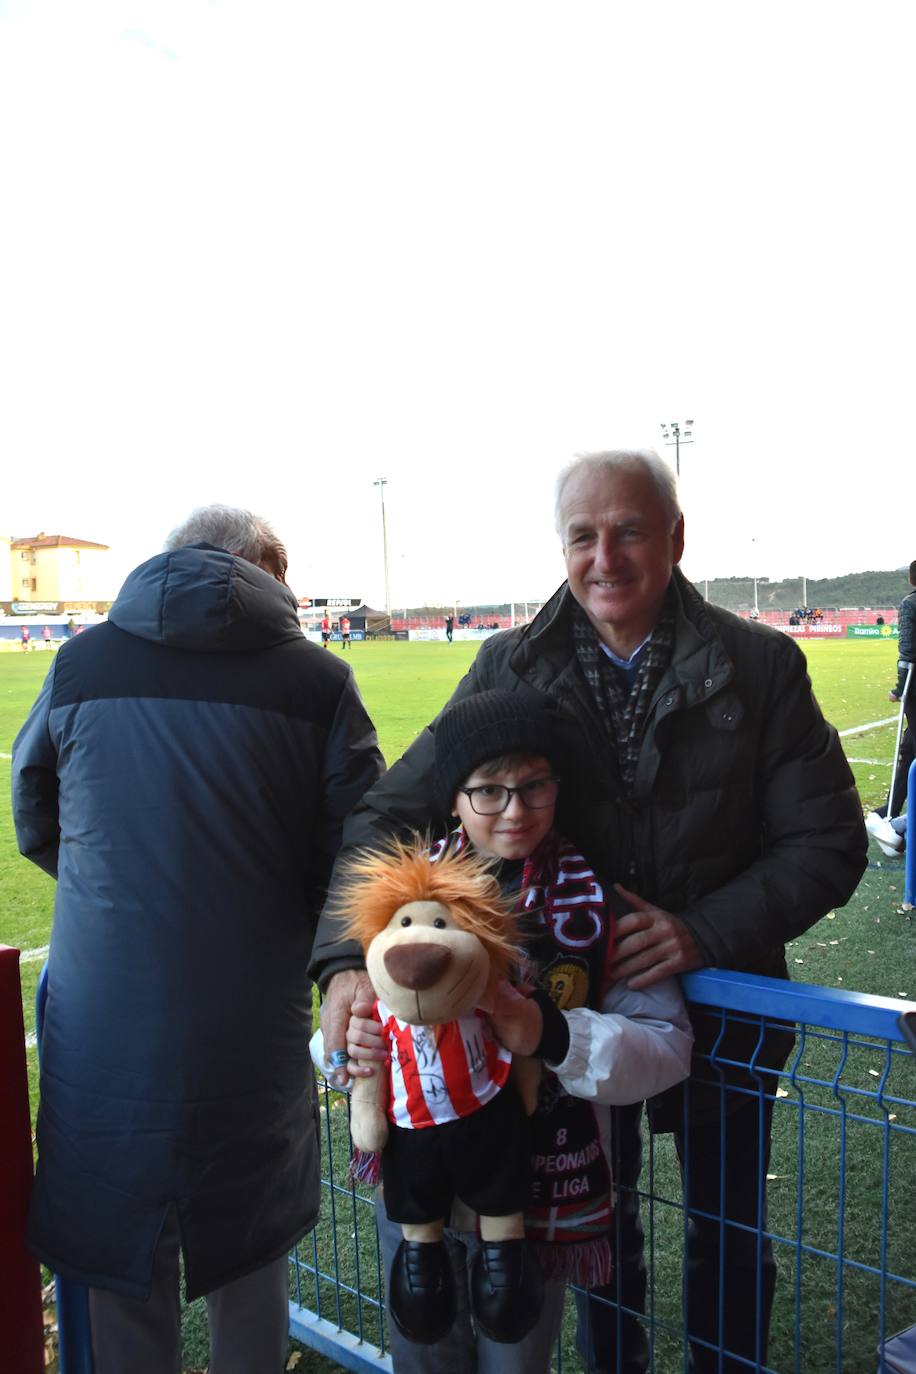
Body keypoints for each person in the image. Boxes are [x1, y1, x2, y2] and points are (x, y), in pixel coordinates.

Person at [311, 450, 867, 1374]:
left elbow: (829, 843)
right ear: (561, 546)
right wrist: (340, 964)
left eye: (630, 531)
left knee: (727, 1231)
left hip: (723, 1006)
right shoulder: (511, 661)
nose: (604, 556)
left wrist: (701, 932)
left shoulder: (759, 663)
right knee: (602, 1234)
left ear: (676, 539)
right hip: (563, 1015)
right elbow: (386, 815)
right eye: (583, 535)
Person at [12, 504, 384, 1374]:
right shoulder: (318, 681)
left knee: (118, 1274)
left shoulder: (79, 665)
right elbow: (356, 856)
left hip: (103, 1025)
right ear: (265, 572)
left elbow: (37, 818)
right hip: (251, 1024)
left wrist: (123, 898)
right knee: (250, 1266)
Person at [335, 689, 693, 1372]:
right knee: (424, 1351)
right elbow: (355, 1028)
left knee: (516, 1356)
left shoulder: (598, 905)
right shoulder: (398, 905)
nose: (516, 809)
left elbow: (667, 1045)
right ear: (453, 798)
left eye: (534, 786)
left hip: (533, 1198)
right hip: (418, 1196)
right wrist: (346, 1048)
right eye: (489, 791)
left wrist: (550, 1034)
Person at [865, 559, 915, 852]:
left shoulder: (910, 604)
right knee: (909, 748)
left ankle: (899, 824)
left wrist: (899, 688)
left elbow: (907, 650)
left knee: (912, 747)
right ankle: (892, 811)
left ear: (911, 579)